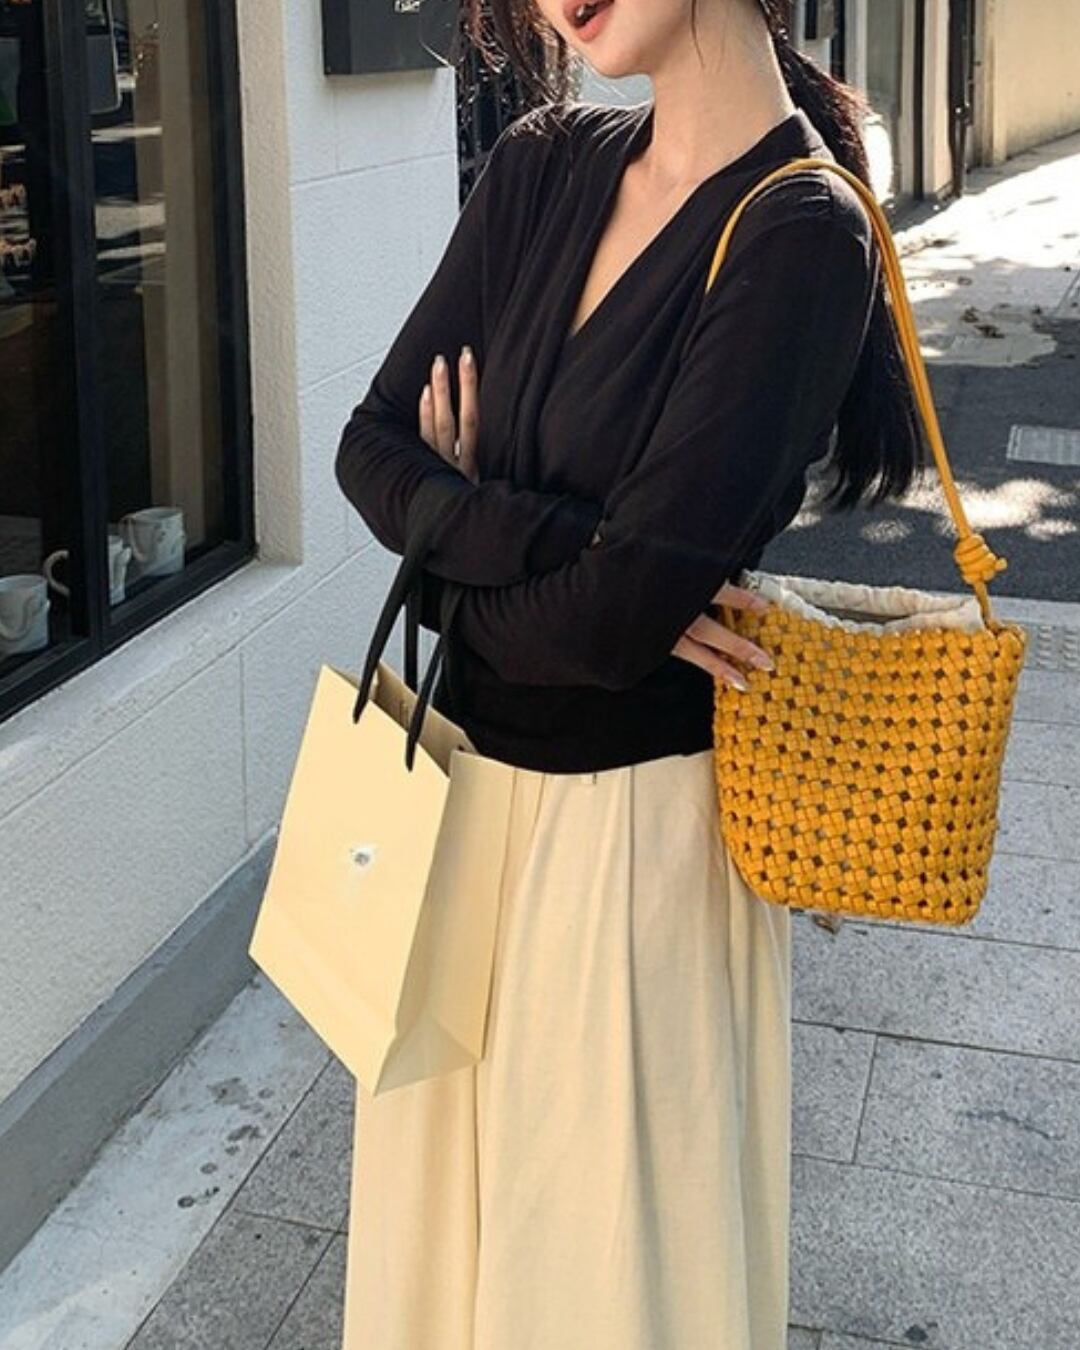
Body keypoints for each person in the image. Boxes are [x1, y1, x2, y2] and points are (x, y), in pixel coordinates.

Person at [333, 0, 923, 1345]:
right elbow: (370, 448)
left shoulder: (801, 232)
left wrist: (455, 538)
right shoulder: (540, 166)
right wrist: (569, 547)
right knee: (438, 1286)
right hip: (454, 814)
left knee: (592, 1290)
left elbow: (608, 630)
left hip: (628, 853)